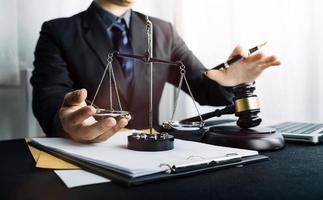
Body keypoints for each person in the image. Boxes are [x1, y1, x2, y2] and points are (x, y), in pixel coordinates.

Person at [31, 0, 280, 143]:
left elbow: (203, 89)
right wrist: (67, 121)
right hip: (90, 154)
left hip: (152, 155)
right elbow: (50, 100)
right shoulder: (58, 32)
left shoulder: (163, 31)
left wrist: (230, 80)